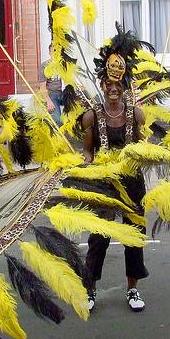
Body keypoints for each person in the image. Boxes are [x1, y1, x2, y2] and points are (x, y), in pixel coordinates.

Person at [80, 25, 150, 313]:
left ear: (125, 86)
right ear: (102, 84)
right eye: (108, 85)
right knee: (99, 237)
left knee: (133, 235)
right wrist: (86, 165)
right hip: (104, 182)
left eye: (117, 86)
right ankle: (90, 289)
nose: (112, 89)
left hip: (132, 181)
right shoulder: (91, 116)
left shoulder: (136, 114)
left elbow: (145, 144)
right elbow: (87, 150)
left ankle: (133, 289)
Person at [37, 43, 63, 126]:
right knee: (57, 121)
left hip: (64, 93)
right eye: (53, 51)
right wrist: (48, 101)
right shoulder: (44, 66)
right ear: (49, 53)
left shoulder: (63, 65)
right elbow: (42, 88)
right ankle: (58, 137)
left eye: (57, 51)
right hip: (52, 94)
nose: (55, 54)